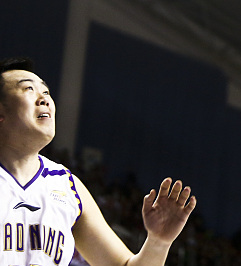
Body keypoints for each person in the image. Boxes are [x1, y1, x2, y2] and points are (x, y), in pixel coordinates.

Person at [0, 56, 196, 266]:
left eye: (46, 92)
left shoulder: (67, 186)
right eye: (29, 89)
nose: (45, 99)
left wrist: (158, 242)